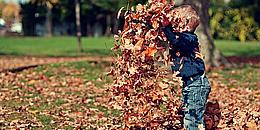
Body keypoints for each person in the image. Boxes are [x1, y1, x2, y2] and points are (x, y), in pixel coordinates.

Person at [161, 5, 211, 130]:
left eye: (176, 22)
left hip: (196, 85)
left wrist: (166, 27)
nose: (173, 26)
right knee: (189, 115)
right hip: (190, 85)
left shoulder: (189, 38)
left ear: (186, 25)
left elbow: (176, 41)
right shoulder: (183, 39)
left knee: (192, 119)